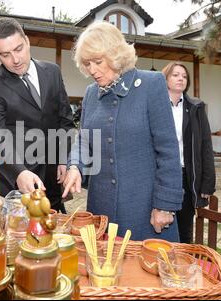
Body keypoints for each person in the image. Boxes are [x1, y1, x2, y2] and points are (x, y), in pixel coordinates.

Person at [62, 21, 183, 241]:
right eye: (87, 64)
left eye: (98, 62)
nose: (92, 70)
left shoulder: (151, 84)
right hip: (102, 210)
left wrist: (165, 205)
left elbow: (168, 150)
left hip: (144, 210)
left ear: (115, 54)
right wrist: (75, 165)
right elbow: (83, 139)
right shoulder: (91, 93)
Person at [0, 17, 75, 212]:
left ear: (27, 41)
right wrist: (19, 172)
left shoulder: (52, 72)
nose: (15, 60)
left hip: (53, 180)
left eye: (18, 49)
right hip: (18, 187)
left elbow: (65, 120)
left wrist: (64, 158)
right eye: (5, 54)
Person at [162, 61, 216, 243]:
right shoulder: (156, 106)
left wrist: (208, 183)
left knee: (185, 230)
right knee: (161, 226)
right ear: (166, 78)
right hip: (162, 175)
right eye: (175, 75)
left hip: (186, 175)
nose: (180, 79)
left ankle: (181, 266)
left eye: (184, 76)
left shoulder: (196, 107)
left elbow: (206, 145)